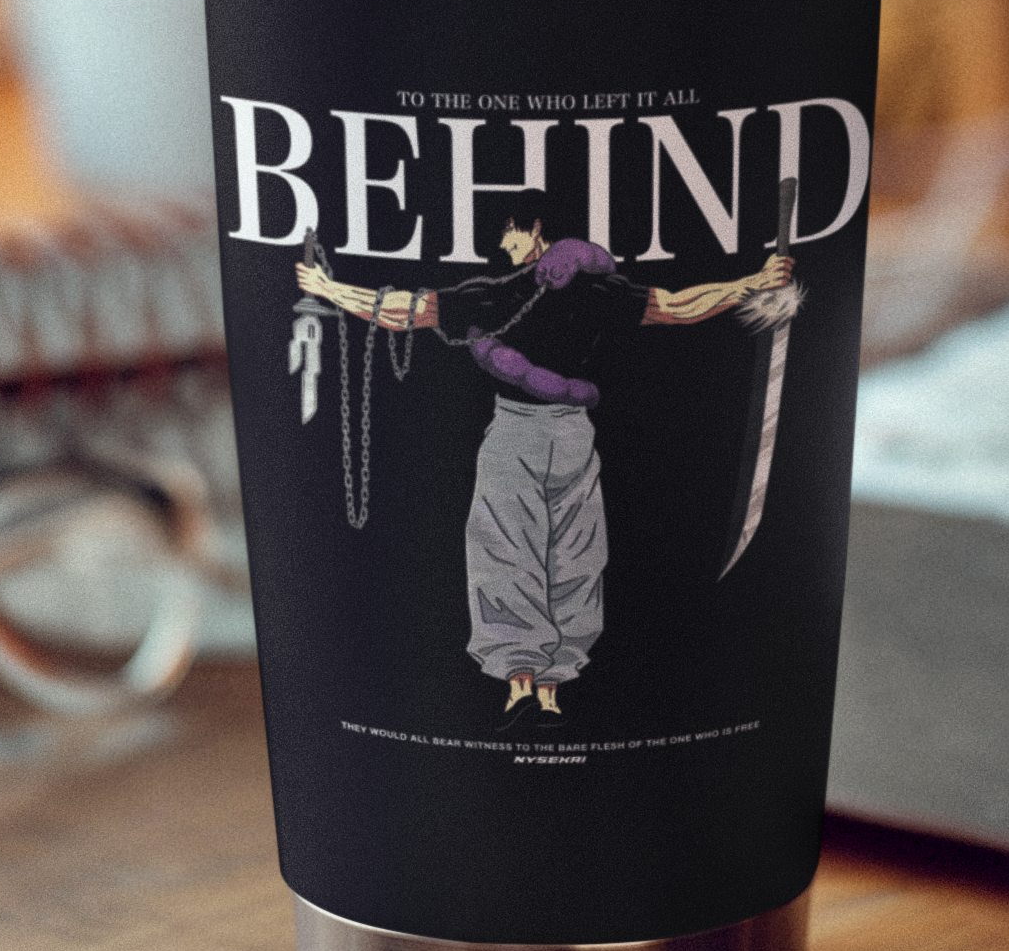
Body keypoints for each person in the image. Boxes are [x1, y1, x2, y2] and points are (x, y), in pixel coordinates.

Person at [296, 221, 794, 714]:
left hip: (525, 432)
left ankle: (532, 674)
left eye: (508, 232)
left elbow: (404, 310)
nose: (500, 243)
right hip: (567, 433)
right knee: (564, 548)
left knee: (527, 548)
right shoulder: (579, 292)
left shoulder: (509, 295)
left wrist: (327, 289)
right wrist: (752, 282)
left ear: (535, 231)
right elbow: (677, 306)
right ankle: (540, 675)